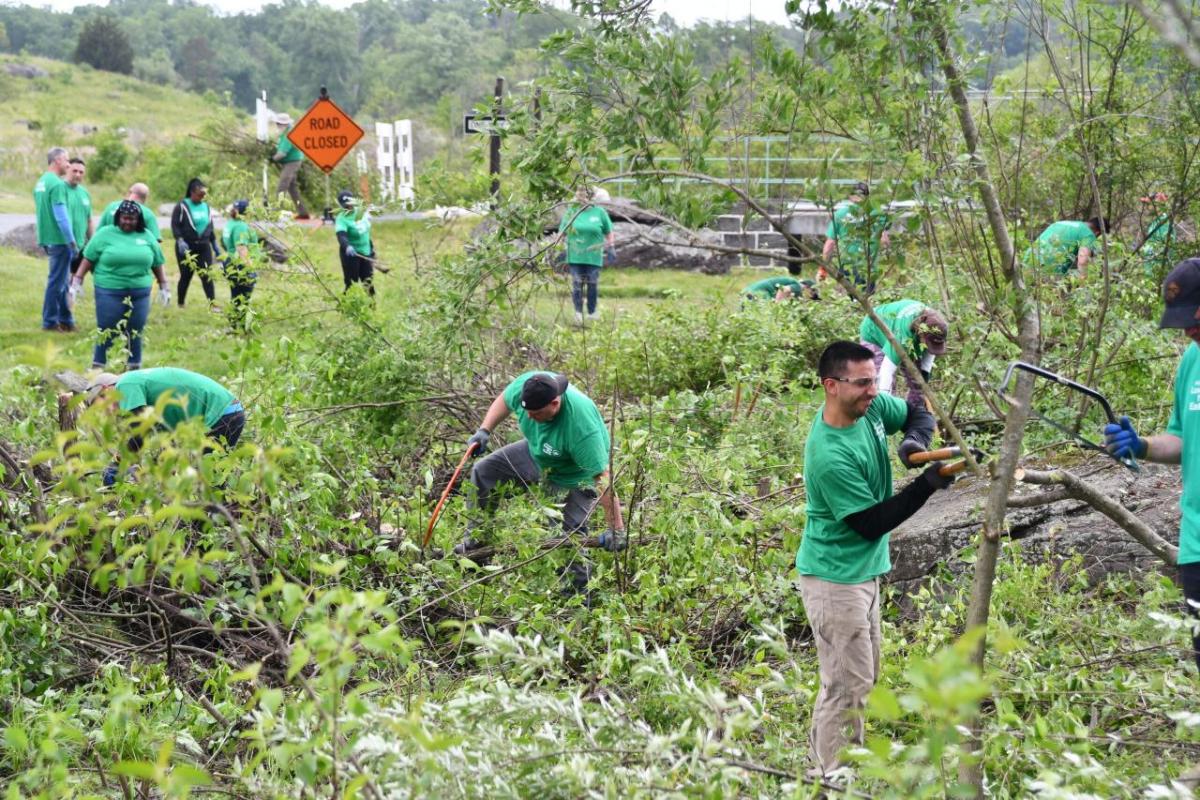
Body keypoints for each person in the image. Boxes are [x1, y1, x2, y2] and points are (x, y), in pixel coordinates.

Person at [797, 340, 952, 777]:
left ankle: (839, 766)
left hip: (863, 572)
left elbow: (918, 413)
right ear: (831, 385)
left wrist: (915, 442)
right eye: (863, 383)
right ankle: (833, 776)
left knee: (859, 678)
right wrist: (926, 485)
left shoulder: (870, 408)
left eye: (872, 380)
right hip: (834, 579)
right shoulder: (829, 454)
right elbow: (870, 523)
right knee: (847, 686)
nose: (873, 390)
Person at [1104, 257, 1200, 673]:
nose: (1187, 331)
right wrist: (1141, 445)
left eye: (1193, 318)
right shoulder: (1191, 362)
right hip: (1197, 541)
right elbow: (1181, 438)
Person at [459, 371, 626, 589]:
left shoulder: (581, 429)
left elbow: (602, 479)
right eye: (526, 410)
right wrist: (484, 430)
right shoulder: (531, 386)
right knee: (484, 472)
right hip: (537, 454)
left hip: (571, 476)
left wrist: (617, 528)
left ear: (555, 403)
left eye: (535, 413)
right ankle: (476, 547)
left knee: (565, 541)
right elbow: (505, 398)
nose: (528, 417)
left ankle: (576, 603)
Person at [85, 368, 245, 485]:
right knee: (210, 477)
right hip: (229, 412)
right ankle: (219, 518)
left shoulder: (125, 384)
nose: (105, 412)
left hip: (223, 413)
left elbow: (140, 428)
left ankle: (211, 523)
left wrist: (118, 463)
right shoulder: (145, 393)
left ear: (106, 389)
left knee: (207, 479)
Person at [69, 200, 169, 370]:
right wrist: (77, 281)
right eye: (124, 218)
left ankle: (134, 366)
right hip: (109, 290)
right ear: (118, 218)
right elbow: (88, 258)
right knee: (107, 327)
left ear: (138, 220)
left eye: (132, 219)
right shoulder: (105, 234)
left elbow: (157, 262)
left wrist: (164, 285)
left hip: (140, 291)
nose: (127, 222)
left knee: (136, 330)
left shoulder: (146, 236)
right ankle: (98, 365)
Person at [858, 299, 949, 404]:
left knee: (917, 382)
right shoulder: (903, 338)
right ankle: (883, 413)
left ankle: (915, 411)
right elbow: (886, 371)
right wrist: (886, 403)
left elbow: (927, 362)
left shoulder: (938, 326)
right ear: (921, 335)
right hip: (874, 330)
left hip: (902, 328)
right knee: (878, 381)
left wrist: (923, 384)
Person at [34, 146, 78, 332]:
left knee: (61, 282)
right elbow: (61, 215)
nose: (68, 164)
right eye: (67, 160)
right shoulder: (58, 184)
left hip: (47, 238)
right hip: (59, 240)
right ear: (57, 160)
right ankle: (50, 322)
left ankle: (66, 320)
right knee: (56, 283)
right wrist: (71, 240)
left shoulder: (41, 182)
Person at [819, 182, 890, 293]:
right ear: (868, 197)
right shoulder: (878, 214)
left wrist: (823, 268)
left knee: (848, 301)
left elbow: (830, 244)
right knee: (867, 301)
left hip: (846, 265)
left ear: (851, 196)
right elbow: (884, 242)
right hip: (868, 266)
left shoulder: (839, 214)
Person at [559, 186, 615, 324]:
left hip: (594, 256)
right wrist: (559, 248)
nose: (582, 197)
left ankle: (592, 312)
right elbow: (562, 231)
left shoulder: (600, 212)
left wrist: (611, 246)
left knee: (592, 283)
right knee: (577, 283)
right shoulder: (571, 211)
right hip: (575, 255)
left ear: (591, 197)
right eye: (580, 194)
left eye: (586, 194)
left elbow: (609, 231)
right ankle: (578, 312)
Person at [171, 178, 221, 310]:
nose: (202, 197)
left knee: (207, 275)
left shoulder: (206, 207)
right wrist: (179, 240)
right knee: (186, 275)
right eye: (199, 195)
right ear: (192, 192)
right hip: (186, 248)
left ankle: (213, 304)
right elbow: (175, 225)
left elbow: (210, 226)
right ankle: (181, 303)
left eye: (204, 195)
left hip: (203, 247)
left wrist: (214, 244)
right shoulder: (182, 206)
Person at [221, 199, 260, 330]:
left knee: (236, 296)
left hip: (230, 263)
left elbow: (224, 242)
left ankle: (234, 325)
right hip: (240, 266)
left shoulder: (231, 223)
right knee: (243, 298)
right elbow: (241, 248)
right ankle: (241, 327)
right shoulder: (241, 226)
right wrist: (251, 267)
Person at [1029, 216, 1109, 279]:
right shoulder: (1088, 234)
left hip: (1029, 261)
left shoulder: (1060, 223)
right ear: (1097, 233)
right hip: (1048, 271)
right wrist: (1083, 288)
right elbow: (1082, 261)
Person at [334, 190, 376, 295]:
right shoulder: (341, 219)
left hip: (366, 252)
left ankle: (372, 308)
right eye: (345, 206)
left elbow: (366, 231)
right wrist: (347, 246)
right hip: (351, 254)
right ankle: (345, 307)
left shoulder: (361, 211)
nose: (349, 207)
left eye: (350, 204)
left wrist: (371, 250)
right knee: (351, 284)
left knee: (368, 282)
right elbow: (341, 235)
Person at [271, 113, 309, 219]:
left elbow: (283, 153)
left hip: (292, 162)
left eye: (278, 124)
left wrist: (272, 159)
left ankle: (278, 210)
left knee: (282, 185)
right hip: (291, 161)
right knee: (292, 188)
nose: (277, 126)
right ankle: (302, 212)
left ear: (283, 124)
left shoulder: (288, 134)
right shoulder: (287, 132)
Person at [1140, 192, 1175, 278]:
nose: (1147, 208)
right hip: (1150, 271)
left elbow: (1166, 247)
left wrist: (1145, 251)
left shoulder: (1164, 222)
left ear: (1158, 205)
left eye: (1149, 205)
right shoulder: (1155, 221)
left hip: (1158, 272)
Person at [65, 158, 94, 261]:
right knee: (62, 277)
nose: (78, 175)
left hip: (80, 246)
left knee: (76, 276)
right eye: (75, 171)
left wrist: (92, 243)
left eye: (81, 172)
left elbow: (89, 220)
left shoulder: (85, 193)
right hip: (63, 245)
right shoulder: (60, 189)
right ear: (67, 169)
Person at [742, 275, 818, 302]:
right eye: (812, 295)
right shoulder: (798, 286)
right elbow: (783, 289)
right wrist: (777, 306)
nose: (810, 298)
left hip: (746, 291)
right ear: (808, 288)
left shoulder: (796, 291)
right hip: (759, 292)